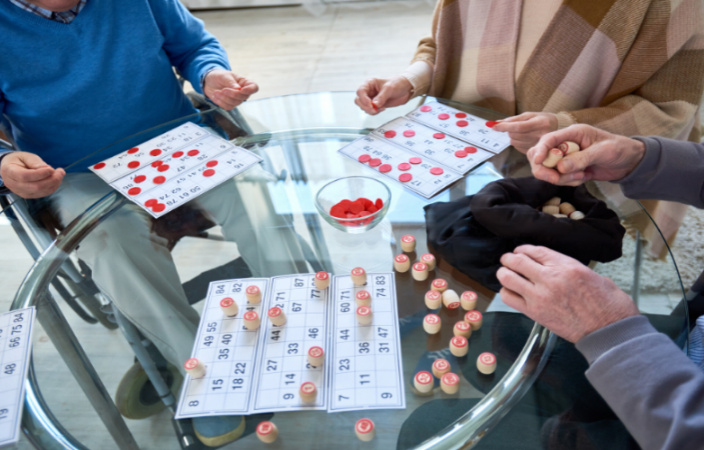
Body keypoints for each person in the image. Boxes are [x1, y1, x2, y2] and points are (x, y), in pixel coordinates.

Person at [0, 0, 302, 446]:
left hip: (176, 140)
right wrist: (5, 161)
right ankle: (200, 370)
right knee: (111, 244)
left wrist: (210, 74)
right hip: (75, 170)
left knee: (256, 195)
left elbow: (194, 45)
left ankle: (302, 319)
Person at [354, 0, 704, 257]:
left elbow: (669, 109)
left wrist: (566, 126)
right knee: (429, 256)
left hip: (564, 176)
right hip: (453, 148)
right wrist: (410, 79)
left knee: (535, 290)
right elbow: (443, 42)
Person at [495, 124, 704, 450]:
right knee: (504, 332)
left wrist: (612, 329)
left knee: (423, 426)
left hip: (676, 420)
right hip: (692, 335)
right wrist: (642, 158)